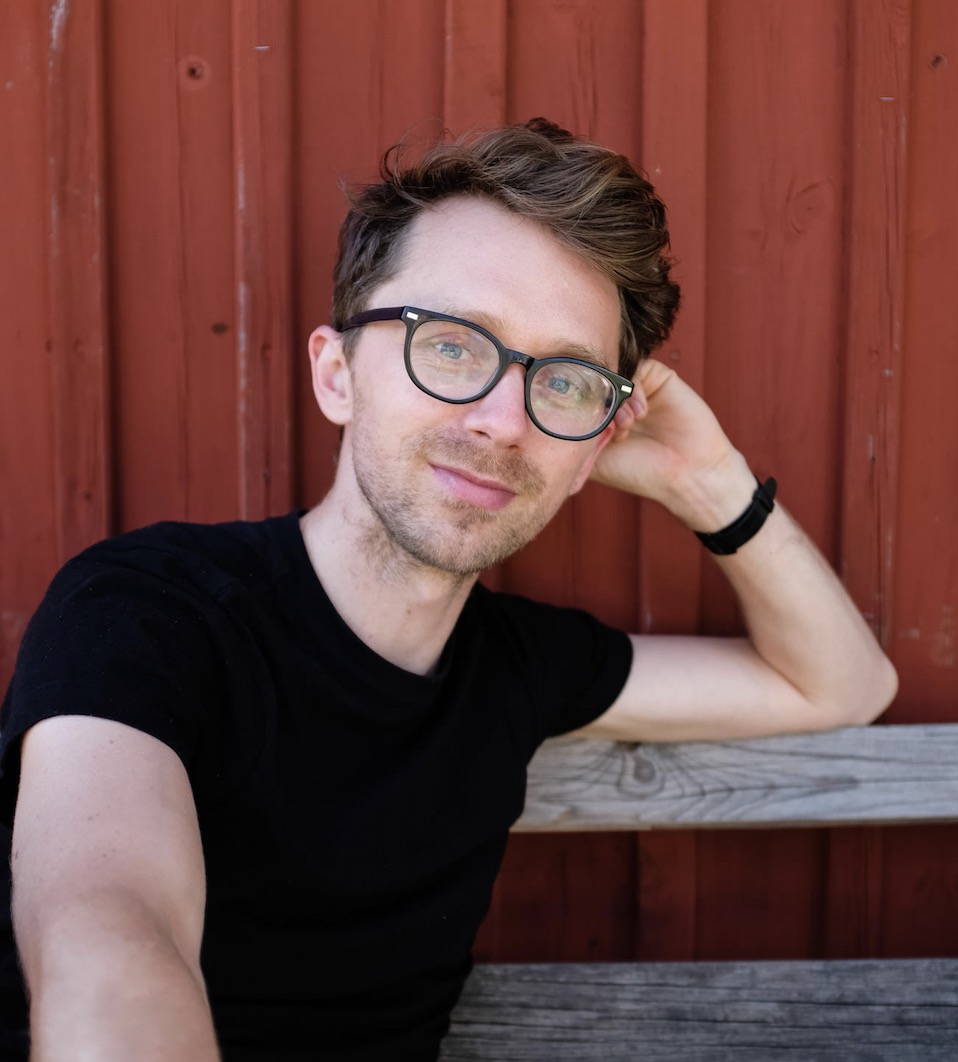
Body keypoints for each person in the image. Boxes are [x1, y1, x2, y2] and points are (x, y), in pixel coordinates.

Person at [0, 118, 897, 1061]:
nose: (506, 421)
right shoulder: (147, 614)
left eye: (563, 380)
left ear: (597, 444)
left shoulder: (518, 670)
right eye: (455, 345)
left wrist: (705, 480)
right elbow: (107, 941)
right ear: (337, 374)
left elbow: (841, 685)